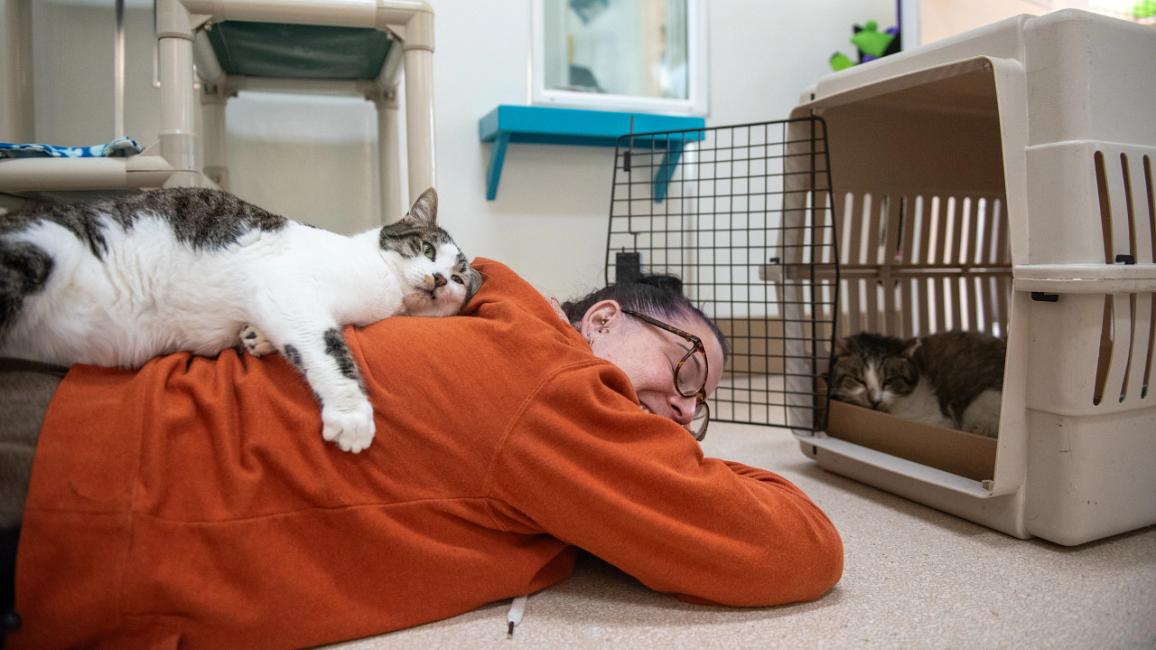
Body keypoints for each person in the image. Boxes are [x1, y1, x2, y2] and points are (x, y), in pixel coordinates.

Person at [2, 258, 842, 648]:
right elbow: (795, 549)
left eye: (702, 406)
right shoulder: (552, 389)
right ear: (602, 320)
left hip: (78, 438)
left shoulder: (485, 326)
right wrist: (691, 468)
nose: (685, 407)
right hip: (70, 497)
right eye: (685, 368)